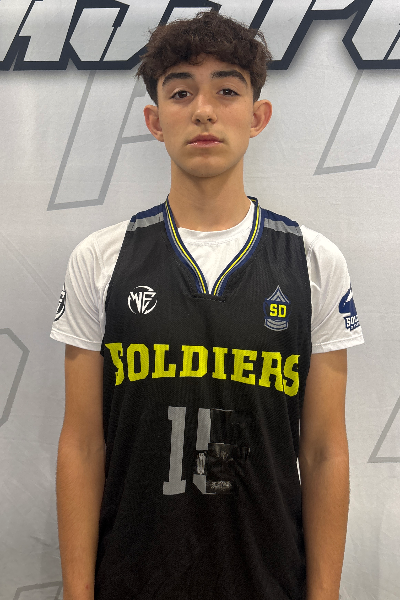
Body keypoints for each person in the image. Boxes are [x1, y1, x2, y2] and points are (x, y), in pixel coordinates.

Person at [51, 10, 364, 600]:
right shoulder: (101, 259)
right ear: (154, 120)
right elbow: (83, 444)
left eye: (226, 90)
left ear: (257, 115)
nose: (203, 111)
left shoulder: (314, 262)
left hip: (269, 578)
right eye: (181, 92)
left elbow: (324, 450)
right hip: (133, 578)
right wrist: (76, 591)